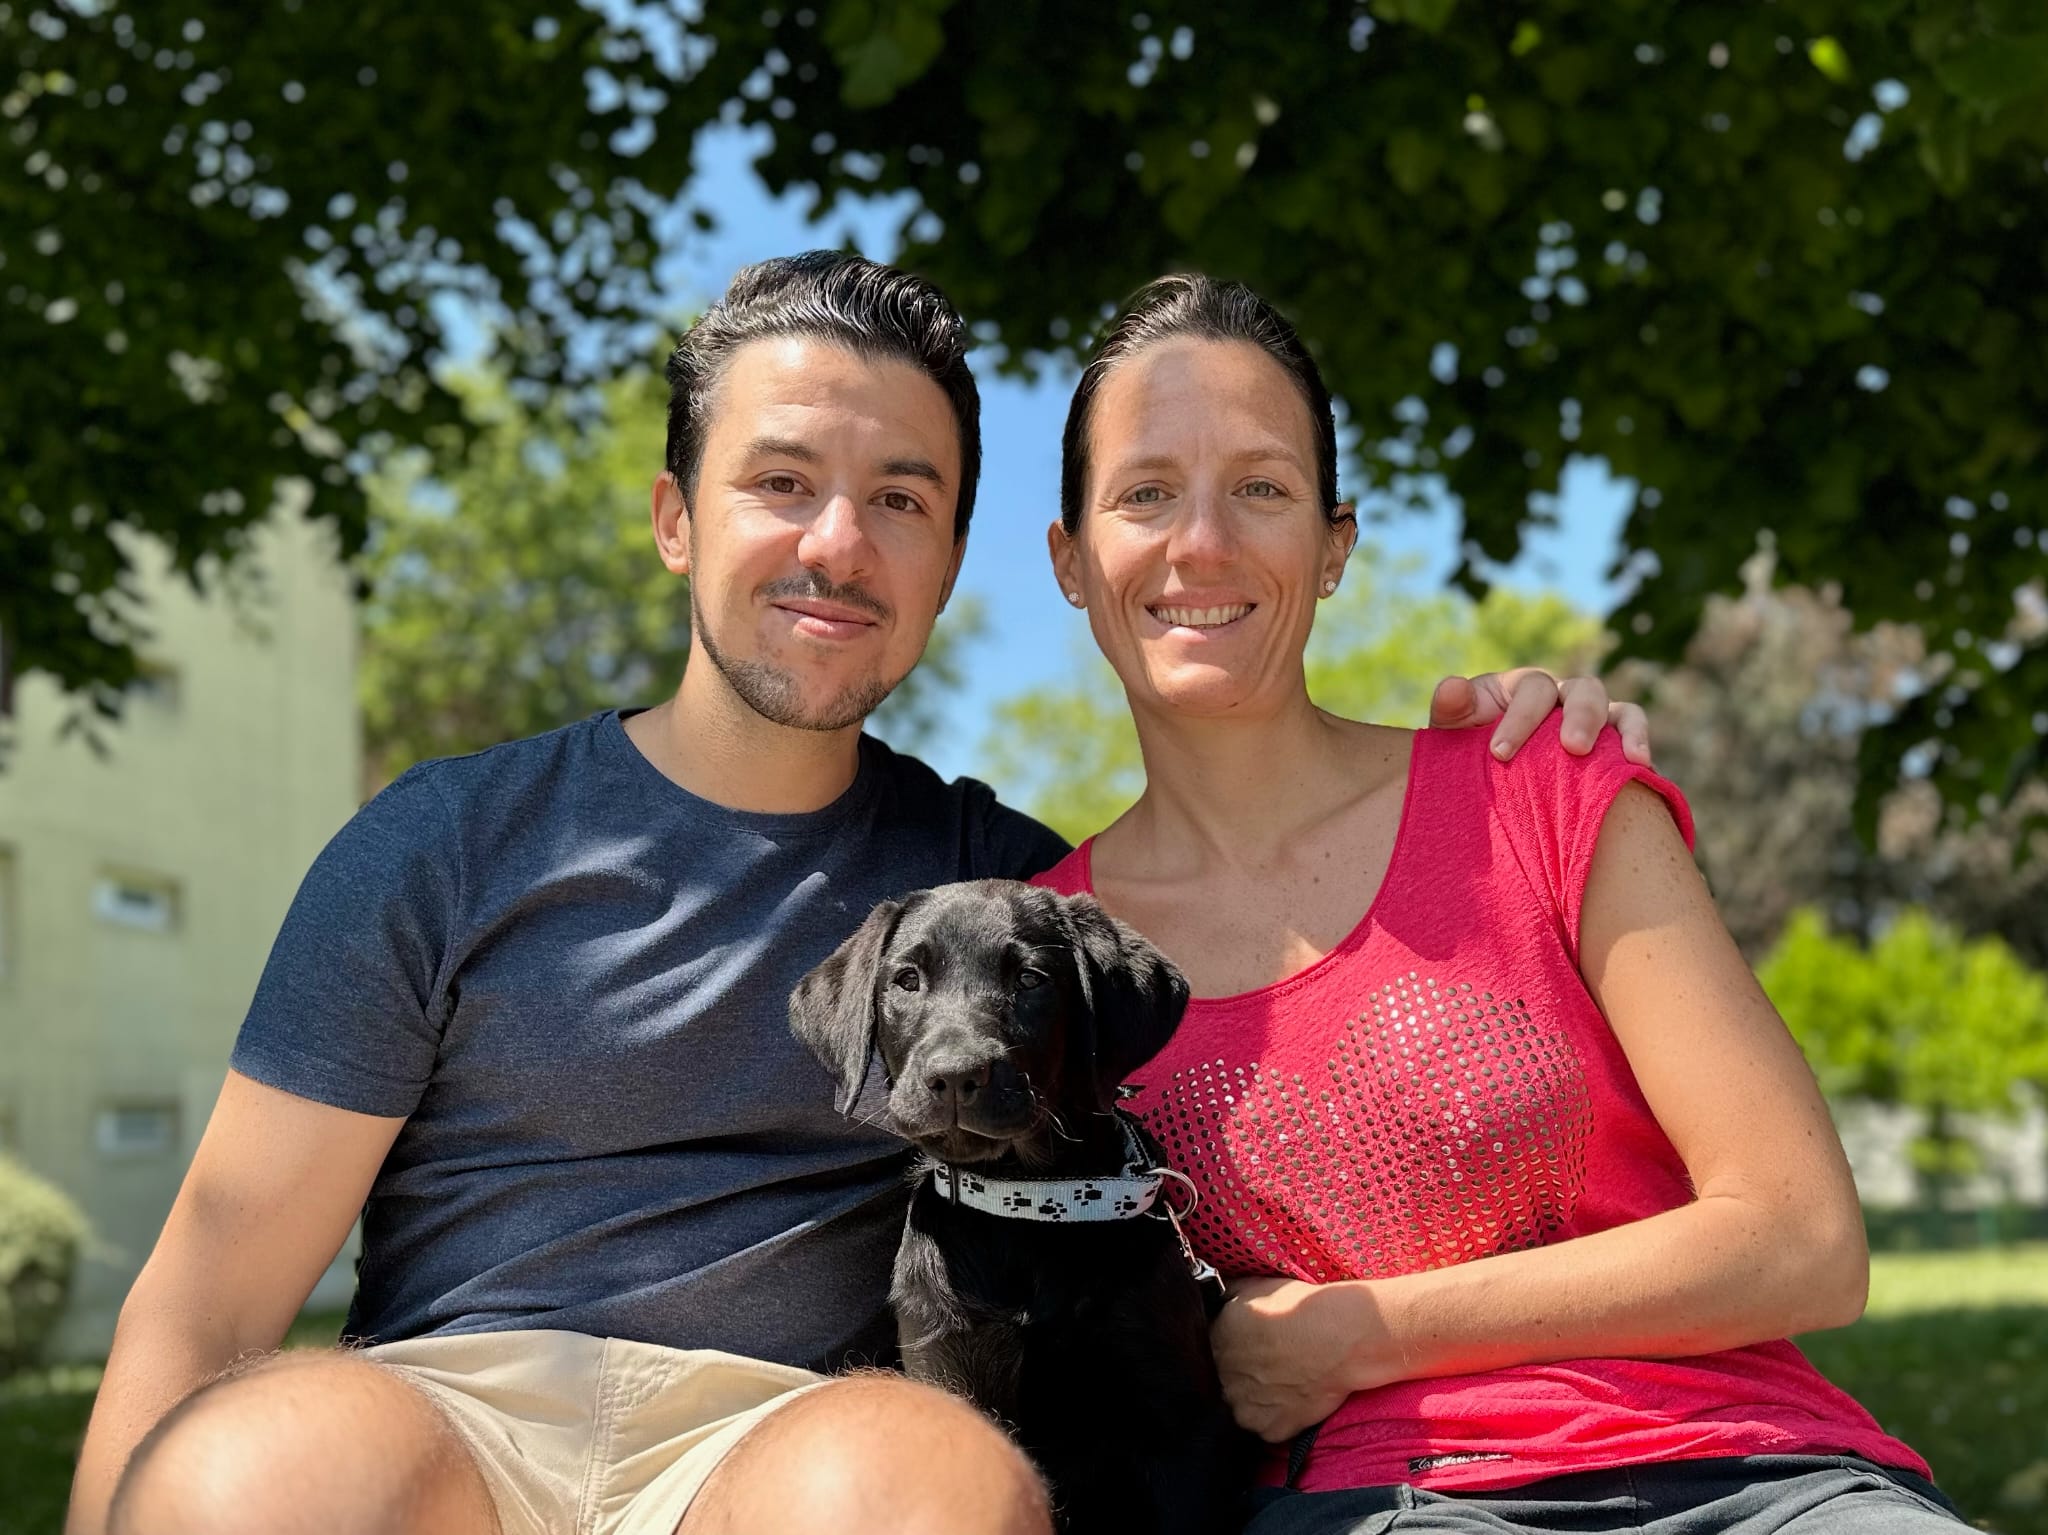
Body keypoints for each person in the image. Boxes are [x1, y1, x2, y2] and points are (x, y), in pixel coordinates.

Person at [66, 252, 1637, 1535]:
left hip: (789, 1438)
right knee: (260, 1466)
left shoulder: (1007, 887)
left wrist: (1495, 744)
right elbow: (204, 1300)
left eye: (900, 497)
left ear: (953, 561)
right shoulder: (444, 840)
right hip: (451, 1413)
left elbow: (1273, 920)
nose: (838, 542)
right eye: (782, 482)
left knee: (915, 1486)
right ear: (678, 517)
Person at [1030, 273, 1962, 1535]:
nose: (1203, 541)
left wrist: (1359, 1330)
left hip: (1759, 1475)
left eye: (1260, 486)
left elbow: (1800, 1238)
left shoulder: (1543, 788)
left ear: (1334, 544)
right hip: (1387, 1504)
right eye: (1146, 492)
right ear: (1072, 560)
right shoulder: (1046, 956)